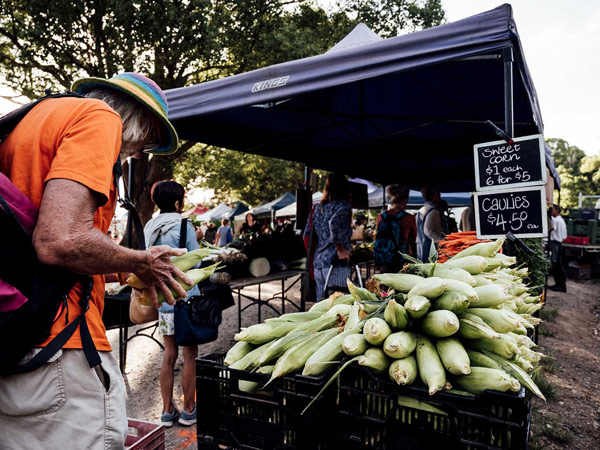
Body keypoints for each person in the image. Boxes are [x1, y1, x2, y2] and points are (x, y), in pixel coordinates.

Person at [0, 72, 191, 449]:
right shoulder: (100, 118)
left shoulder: (29, 121)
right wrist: (141, 262)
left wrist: (125, 267)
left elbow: (32, 234)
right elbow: (59, 241)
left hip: (18, 341)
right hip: (61, 350)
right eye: (147, 138)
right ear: (138, 120)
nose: (140, 150)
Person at [135, 181, 200, 427]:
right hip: (184, 299)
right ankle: (189, 409)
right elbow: (194, 263)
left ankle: (166, 410)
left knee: (168, 354)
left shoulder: (150, 225)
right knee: (190, 354)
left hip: (162, 301)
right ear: (177, 202)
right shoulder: (185, 225)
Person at [303, 173, 352, 300]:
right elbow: (334, 224)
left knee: (322, 306)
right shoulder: (344, 205)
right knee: (339, 307)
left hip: (318, 263)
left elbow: (306, 234)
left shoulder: (317, 208)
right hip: (336, 264)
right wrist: (341, 249)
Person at [374, 185, 417, 272]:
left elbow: (376, 234)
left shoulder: (381, 216)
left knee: (384, 283)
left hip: (384, 258)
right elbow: (413, 239)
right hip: (402, 259)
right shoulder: (409, 218)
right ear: (405, 200)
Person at [417, 186, 444, 261]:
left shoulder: (422, 209)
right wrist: (441, 241)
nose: (440, 197)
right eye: (438, 195)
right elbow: (428, 231)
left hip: (421, 245)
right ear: (433, 196)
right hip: (430, 247)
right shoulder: (433, 211)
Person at [548, 204, 567, 292]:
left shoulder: (557, 220)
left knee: (556, 264)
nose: (551, 212)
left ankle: (560, 284)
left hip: (556, 243)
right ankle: (559, 284)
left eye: (552, 210)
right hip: (559, 243)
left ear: (556, 211)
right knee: (557, 263)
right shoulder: (560, 220)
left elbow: (552, 226)